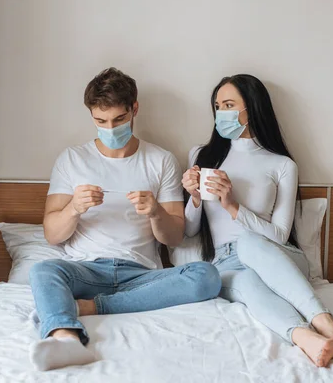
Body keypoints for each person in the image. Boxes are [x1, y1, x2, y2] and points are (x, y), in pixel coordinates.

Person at [29, 68, 221, 371]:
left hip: (141, 276)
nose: (110, 128)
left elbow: (174, 237)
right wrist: (74, 209)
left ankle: (92, 308)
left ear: (134, 109)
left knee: (207, 276)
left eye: (119, 119)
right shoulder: (72, 159)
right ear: (91, 115)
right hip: (85, 271)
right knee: (42, 270)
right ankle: (66, 338)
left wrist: (156, 212)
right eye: (100, 121)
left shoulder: (161, 160)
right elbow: (52, 235)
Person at [182, 74, 333, 367]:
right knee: (246, 281)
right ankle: (308, 339)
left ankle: (325, 320)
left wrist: (233, 207)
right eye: (217, 106)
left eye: (229, 105)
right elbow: (189, 230)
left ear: (251, 109)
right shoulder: (202, 156)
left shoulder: (281, 165)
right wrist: (192, 197)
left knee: (250, 242)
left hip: (278, 257)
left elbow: (280, 234)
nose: (221, 113)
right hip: (226, 264)